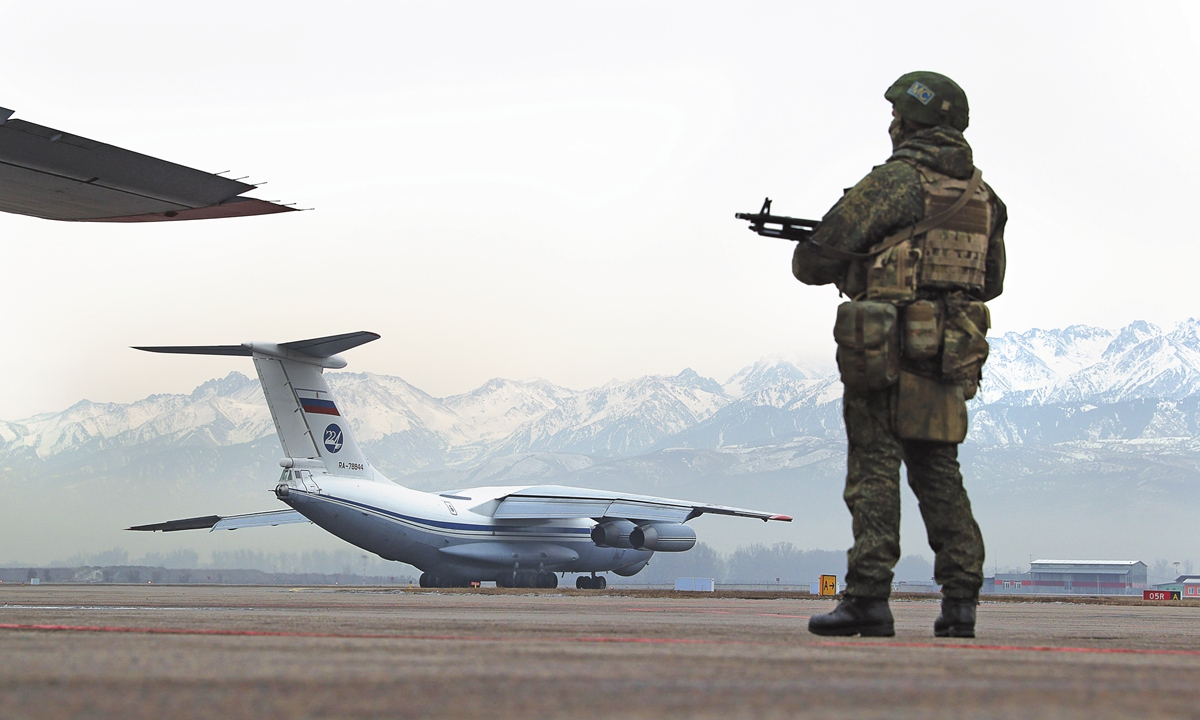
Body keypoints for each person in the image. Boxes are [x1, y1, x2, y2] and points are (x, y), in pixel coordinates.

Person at [794, 72, 1007, 638]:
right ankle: (960, 603)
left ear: (911, 124)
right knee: (939, 473)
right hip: (947, 356)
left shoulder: (895, 183)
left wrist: (859, 265)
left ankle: (868, 597)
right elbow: (990, 282)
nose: (892, 125)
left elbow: (812, 261)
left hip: (886, 353)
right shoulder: (985, 198)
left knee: (874, 472)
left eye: (898, 116)